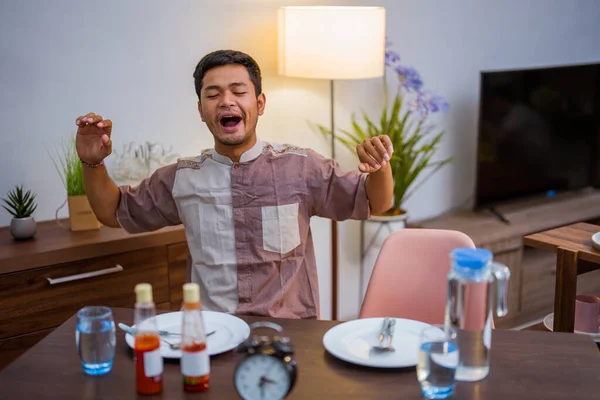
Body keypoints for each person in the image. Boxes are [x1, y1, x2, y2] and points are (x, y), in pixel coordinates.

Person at [75, 49, 393, 319]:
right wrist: (93, 163)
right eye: (213, 94)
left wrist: (379, 168)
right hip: (211, 331)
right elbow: (113, 211)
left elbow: (375, 201)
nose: (227, 101)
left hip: (291, 333)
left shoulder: (301, 167)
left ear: (260, 103)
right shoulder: (181, 178)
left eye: (239, 91)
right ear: (201, 110)